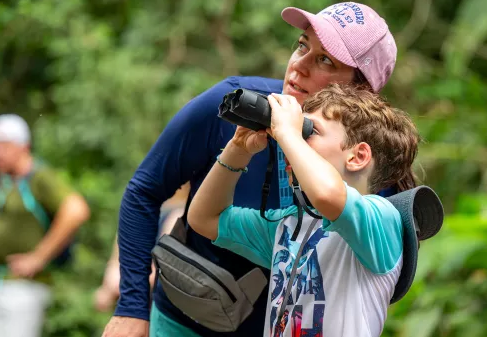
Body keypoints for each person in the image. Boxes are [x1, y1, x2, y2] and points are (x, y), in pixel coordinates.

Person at [102, 2, 399, 337]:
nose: (297, 65)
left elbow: (360, 280)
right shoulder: (238, 101)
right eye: (302, 45)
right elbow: (146, 191)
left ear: (360, 92)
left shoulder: (374, 174)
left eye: (324, 59)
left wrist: (291, 136)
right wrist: (131, 307)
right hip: (183, 316)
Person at [188, 84, 442, 336]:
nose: (291, 141)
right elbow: (204, 218)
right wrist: (238, 149)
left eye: (310, 131)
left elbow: (328, 195)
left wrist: (288, 133)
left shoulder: (382, 219)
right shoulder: (289, 226)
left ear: (357, 157)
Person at [0, 114, 91, 337]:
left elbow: (76, 210)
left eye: (4, 146)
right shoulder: (4, 182)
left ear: (23, 146)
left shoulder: (39, 178)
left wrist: (38, 257)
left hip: (22, 287)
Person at [94, 183, 189, 313]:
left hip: (153, 300)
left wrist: (122, 286)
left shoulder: (179, 213)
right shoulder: (138, 210)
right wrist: (109, 285)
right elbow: (117, 257)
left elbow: (162, 267)